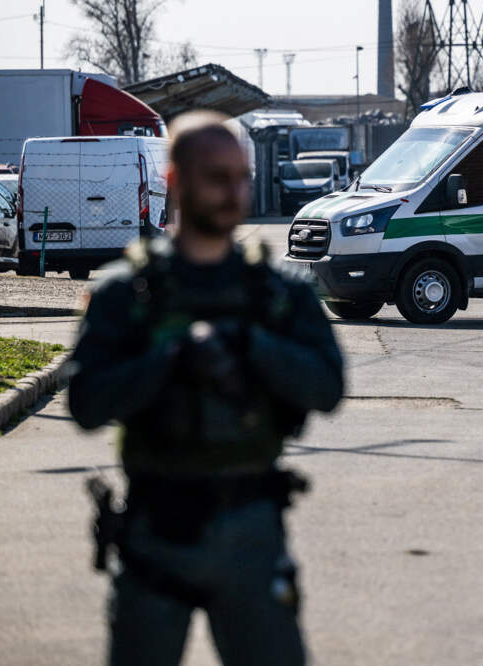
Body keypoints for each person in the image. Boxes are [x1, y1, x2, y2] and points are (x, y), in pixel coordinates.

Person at [68, 111, 344, 666]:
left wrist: (250, 345)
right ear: (175, 181)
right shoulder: (129, 293)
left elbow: (328, 387)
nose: (234, 193)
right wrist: (170, 359)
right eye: (217, 178)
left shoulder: (278, 294)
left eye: (241, 178)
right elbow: (87, 403)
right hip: (157, 533)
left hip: (252, 531)